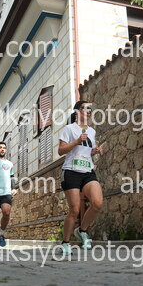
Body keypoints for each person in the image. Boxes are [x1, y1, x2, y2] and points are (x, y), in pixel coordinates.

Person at [58, 100, 103, 256]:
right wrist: (77, 141)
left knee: (97, 203)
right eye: (85, 108)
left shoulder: (92, 131)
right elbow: (61, 150)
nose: (89, 111)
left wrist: (95, 151)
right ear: (77, 111)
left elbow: (87, 150)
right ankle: (65, 243)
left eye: (90, 109)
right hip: (71, 171)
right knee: (74, 210)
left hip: (87, 170)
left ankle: (82, 230)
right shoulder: (69, 129)